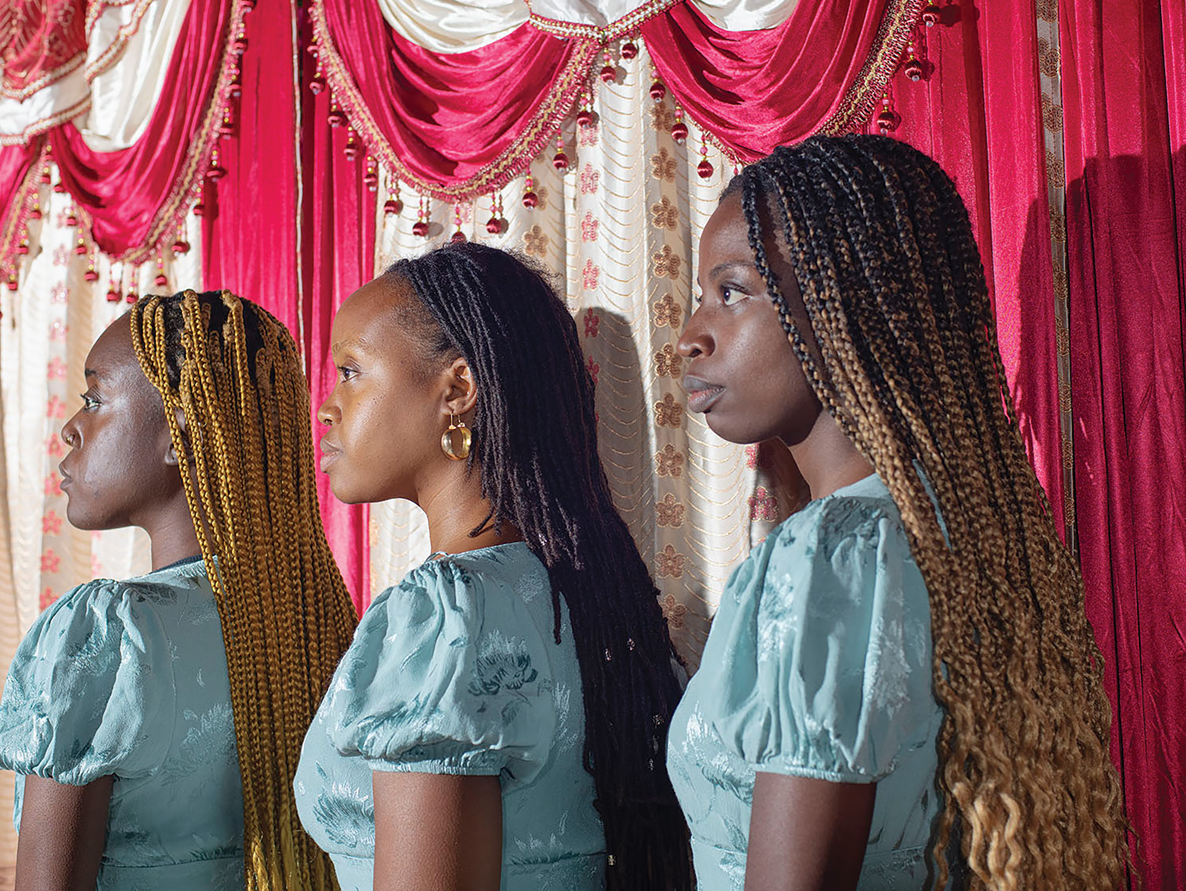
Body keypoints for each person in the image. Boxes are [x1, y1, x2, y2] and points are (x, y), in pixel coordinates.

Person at [667, 135, 1130, 891]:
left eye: (734, 291)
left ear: (845, 303)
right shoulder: (948, 534)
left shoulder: (832, 556)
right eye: (699, 296)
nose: (690, 336)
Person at [294, 243, 692, 891]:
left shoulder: (441, 621)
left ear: (456, 391)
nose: (327, 406)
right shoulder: (592, 604)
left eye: (350, 372)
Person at [0, 290, 358, 891]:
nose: (69, 429)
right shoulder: (317, 625)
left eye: (93, 399)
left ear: (180, 432)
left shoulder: (108, 632)